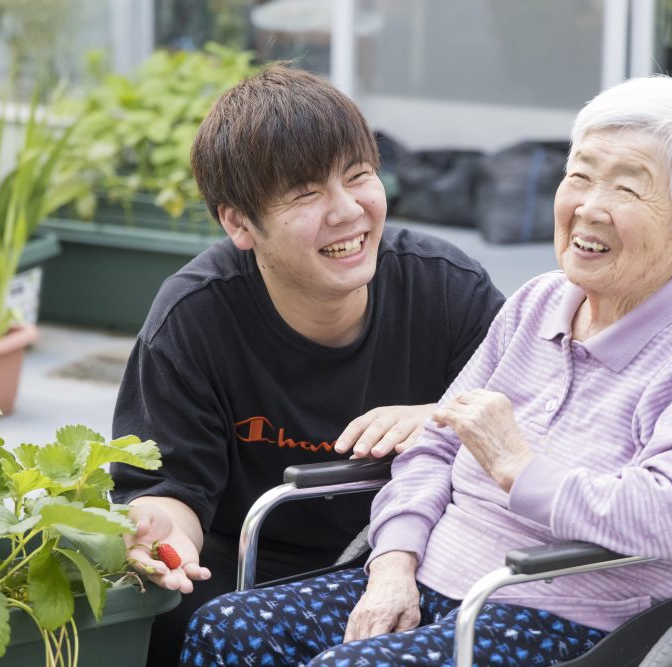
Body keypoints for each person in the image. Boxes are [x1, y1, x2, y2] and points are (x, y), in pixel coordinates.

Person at [179, 75, 672, 666]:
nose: (590, 207)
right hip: (437, 582)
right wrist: (393, 565)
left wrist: (520, 467)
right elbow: (433, 448)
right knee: (226, 628)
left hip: (577, 615)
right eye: (580, 176)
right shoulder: (538, 303)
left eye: (627, 189)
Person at [110, 65, 506, 666]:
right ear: (239, 222)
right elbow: (169, 489)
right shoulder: (194, 317)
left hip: (415, 556)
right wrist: (159, 538)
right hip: (251, 564)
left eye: (359, 177)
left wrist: (443, 415)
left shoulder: (448, 289)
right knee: (174, 622)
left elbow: (539, 417)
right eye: (305, 194)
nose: (347, 211)